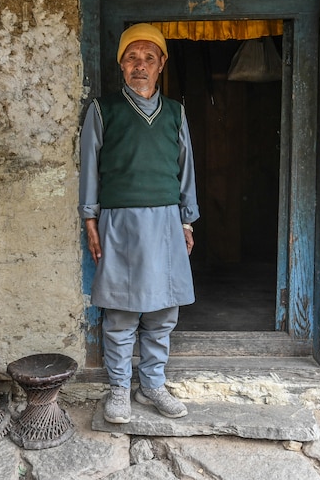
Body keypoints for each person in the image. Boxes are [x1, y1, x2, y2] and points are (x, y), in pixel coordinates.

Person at [78, 23, 199, 424]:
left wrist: (187, 222)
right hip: (120, 221)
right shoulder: (103, 109)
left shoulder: (176, 113)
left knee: (164, 310)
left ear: (162, 64)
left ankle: (152, 384)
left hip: (166, 221)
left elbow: (185, 172)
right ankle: (118, 388)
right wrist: (90, 219)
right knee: (122, 312)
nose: (140, 66)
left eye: (149, 58)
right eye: (132, 57)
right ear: (121, 64)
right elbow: (90, 170)